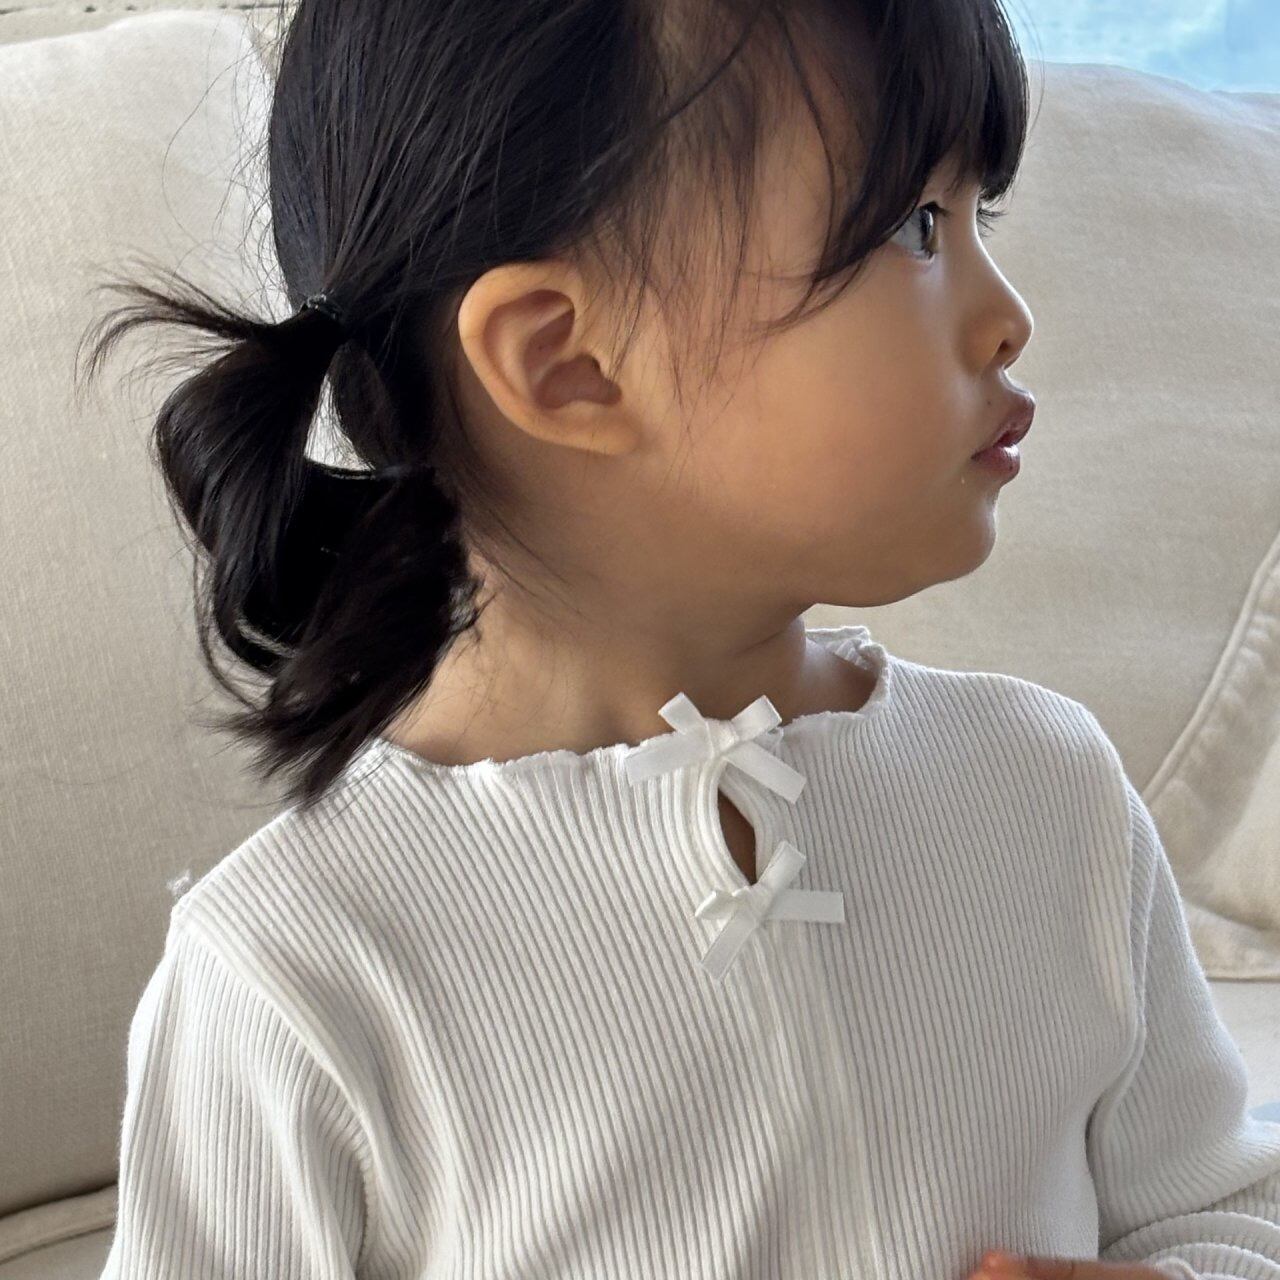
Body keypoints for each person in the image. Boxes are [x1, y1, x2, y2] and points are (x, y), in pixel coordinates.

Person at [80, 0, 1280, 1276]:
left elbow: (1218, 1210)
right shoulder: (300, 969)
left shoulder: (1044, 787)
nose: (1007, 314)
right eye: (912, 226)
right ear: (567, 361)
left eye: (979, 214)